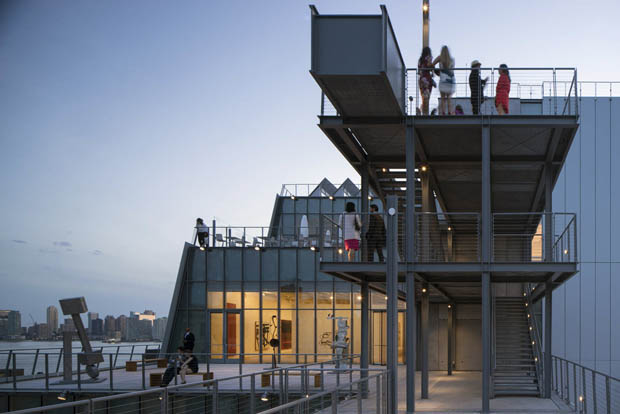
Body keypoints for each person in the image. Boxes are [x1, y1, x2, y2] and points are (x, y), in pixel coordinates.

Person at [433, 46, 455, 115]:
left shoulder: (440, 58)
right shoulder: (452, 59)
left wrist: (436, 71)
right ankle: (449, 112)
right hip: (450, 79)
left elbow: (432, 64)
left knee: (443, 98)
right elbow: (452, 70)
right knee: (449, 97)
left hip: (443, 79)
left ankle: (443, 112)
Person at [417, 47, 435, 115]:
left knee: (423, 97)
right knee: (427, 97)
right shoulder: (429, 58)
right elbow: (431, 67)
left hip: (421, 79)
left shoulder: (420, 60)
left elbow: (419, 72)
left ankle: (422, 112)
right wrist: (432, 72)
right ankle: (425, 113)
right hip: (427, 79)